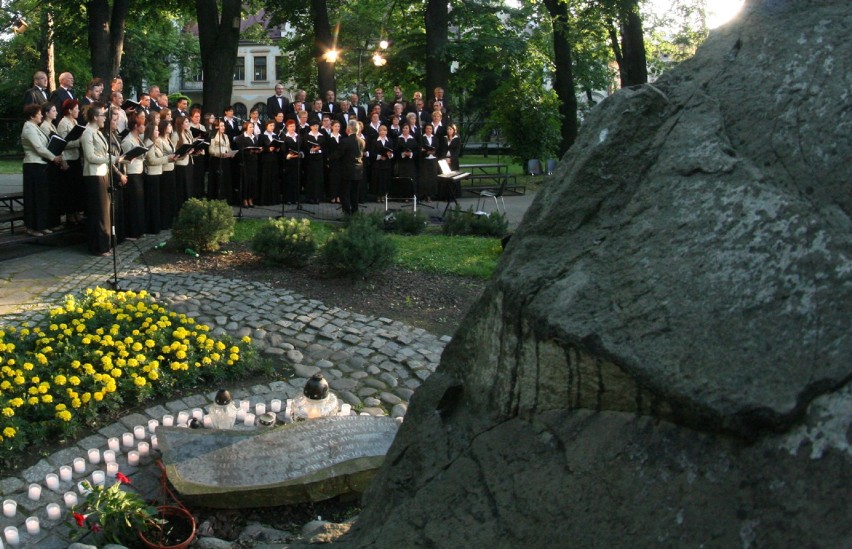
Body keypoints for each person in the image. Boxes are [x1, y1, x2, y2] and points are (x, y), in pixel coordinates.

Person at [21, 103, 62, 236]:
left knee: (42, 197)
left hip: (40, 165)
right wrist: (53, 157)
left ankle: (42, 225)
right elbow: (38, 147)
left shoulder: (35, 127)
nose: (41, 115)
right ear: (32, 116)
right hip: (33, 165)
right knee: (35, 197)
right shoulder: (29, 128)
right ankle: (33, 227)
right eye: (39, 114)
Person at [79, 103, 112, 254]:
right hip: (93, 175)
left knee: (104, 211)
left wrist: (115, 158)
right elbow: (90, 157)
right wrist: (111, 159)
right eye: (102, 115)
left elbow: (103, 153)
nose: (105, 118)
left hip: (102, 172)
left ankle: (104, 244)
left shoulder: (97, 131)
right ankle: (97, 247)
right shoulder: (87, 132)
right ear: (94, 117)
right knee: (98, 212)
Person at [57, 99, 85, 225]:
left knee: (77, 187)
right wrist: (79, 142)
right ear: (69, 110)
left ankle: (76, 212)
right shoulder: (63, 123)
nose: (78, 111)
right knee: (69, 187)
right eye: (76, 108)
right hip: (68, 158)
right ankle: (70, 214)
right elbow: (63, 143)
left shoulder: (75, 121)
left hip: (76, 157)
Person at [39, 101, 64, 230]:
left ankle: (55, 221)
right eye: (53, 111)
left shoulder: (52, 126)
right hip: (50, 162)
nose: (56, 112)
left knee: (56, 192)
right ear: (47, 113)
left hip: (55, 160)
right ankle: (51, 222)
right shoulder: (44, 126)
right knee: (51, 192)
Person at [121, 117, 146, 239]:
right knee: (133, 202)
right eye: (142, 125)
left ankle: (139, 229)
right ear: (136, 126)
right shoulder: (127, 140)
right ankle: (132, 231)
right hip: (132, 173)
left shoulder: (138, 138)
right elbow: (124, 159)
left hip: (139, 171)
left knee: (139, 202)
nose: (144, 127)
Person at [334, 120, 365, 215]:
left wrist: (330, 158)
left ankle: (347, 213)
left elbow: (338, 155)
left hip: (347, 170)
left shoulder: (345, 141)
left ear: (348, 129)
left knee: (344, 192)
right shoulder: (362, 141)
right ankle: (355, 212)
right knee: (355, 193)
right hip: (358, 170)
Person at [142, 121, 167, 234]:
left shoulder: (154, 142)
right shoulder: (148, 143)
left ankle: (156, 225)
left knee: (156, 201)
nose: (158, 131)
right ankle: (151, 226)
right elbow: (151, 160)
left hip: (157, 173)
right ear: (151, 131)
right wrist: (168, 159)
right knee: (152, 202)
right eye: (156, 130)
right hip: (151, 175)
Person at [156, 119, 177, 228]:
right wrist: (169, 157)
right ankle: (165, 221)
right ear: (164, 127)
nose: (171, 127)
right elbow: (159, 156)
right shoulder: (159, 140)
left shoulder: (168, 138)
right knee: (165, 196)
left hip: (171, 167)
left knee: (170, 195)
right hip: (164, 170)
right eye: (169, 125)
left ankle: (170, 220)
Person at [234, 121, 259, 208]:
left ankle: (250, 198)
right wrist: (249, 151)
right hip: (245, 162)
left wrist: (258, 150)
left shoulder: (254, 137)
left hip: (254, 162)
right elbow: (240, 150)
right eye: (250, 127)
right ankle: (244, 199)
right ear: (246, 128)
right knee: (246, 181)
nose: (252, 129)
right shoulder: (241, 138)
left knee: (253, 181)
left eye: (253, 127)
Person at [171, 115, 194, 211]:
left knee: (189, 186)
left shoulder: (188, 132)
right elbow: (173, 151)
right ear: (180, 124)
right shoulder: (176, 134)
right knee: (182, 187)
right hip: (181, 164)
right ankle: (182, 208)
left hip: (189, 161)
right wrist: (184, 153)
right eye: (186, 122)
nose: (188, 123)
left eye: (188, 122)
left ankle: (189, 207)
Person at [207, 120, 232, 202]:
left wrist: (231, 153)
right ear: (217, 127)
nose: (223, 127)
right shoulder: (213, 136)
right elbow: (211, 150)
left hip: (225, 160)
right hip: (216, 160)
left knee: (225, 179)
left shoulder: (226, 136)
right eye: (221, 126)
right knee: (217, 179)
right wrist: (219, 154)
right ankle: (215, 198)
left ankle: (224, 197)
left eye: (224, 126)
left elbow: (228, 148)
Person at [258, 119, 281, 205]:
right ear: (266, 126)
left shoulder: (276, 135)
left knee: (274, 179)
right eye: (270, 125)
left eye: (273, 126)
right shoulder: (262, 135)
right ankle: (265, 200)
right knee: (266, 179)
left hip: (274, 160)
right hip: (265, 160)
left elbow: (278, 145)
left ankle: (274, 199)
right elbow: (259, 148)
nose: (272, 127)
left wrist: (278, 148)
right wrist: (268, 149)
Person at [301, 119, 325, 204]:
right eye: (314, 126)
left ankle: (317, 197)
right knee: (310, 178)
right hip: (310, 160)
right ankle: (310, 197)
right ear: (310, 127)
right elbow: (305, 146)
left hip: (319, 159)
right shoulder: (307, 136)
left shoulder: (321, 135)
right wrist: (311, 149)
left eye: (317, 126)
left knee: (318, 178)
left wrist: (319, 148)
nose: (315, 127)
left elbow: (325, 146)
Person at [280, 118, 302, 205]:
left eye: (294, 126)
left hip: (297, 161)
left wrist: (300, 153)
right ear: (287, 127)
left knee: (296, 180)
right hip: (289, 162)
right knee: (289, 180)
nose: (293, 128)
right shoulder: (285, 137)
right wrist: (288, 155)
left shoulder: (298, 136)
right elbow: (283, 150)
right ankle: (288, 199)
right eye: (291, 126)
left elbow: (302, 147)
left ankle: (295, 198)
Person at [370, 124, 395, 199]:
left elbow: (393, 152)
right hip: (378, 164)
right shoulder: (375, 141)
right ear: (378, 132)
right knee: (378, 180)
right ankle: (378, 196)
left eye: (384, 130)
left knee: (385, 180)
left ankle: (384, 195)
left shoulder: (390, 140)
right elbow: (372, 152)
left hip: (387, 164)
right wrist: (380, 157)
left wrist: (389, 155)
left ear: (386, 132)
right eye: (381, 130)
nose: (383, 132)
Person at [188, 108, 207, 198]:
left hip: (201, 152)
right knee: (194, 175)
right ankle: (194, 194)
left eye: (199, 116)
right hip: (193, 153)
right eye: (195, 117)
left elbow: (205, 138)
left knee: (200, 174)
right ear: (191, 117)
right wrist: (197, 138)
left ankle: (201, 193)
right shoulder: (189, 126)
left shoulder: (202, 127)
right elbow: (189, 141)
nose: (197, 118)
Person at [324, 120, 343, 204]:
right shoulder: (328, 137)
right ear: (332, 127)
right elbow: (326, 149)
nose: (337, 128)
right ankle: (332, 196)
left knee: (340, 179)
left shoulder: (342, 137)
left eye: (338, 126)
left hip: (340, 161)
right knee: (332, 179)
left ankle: (338, 196)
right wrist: (328, 159)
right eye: (335, 126)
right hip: (332, 161)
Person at [418, 123, 439, 201]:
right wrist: (426, 152)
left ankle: (432, 194)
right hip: (425, 160)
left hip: (433, 159)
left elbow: (437, 147)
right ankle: (426, 195)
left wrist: (433, 151)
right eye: (427, 128)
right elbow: (420, 148)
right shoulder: (422, 138)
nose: (429, 130)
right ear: (425, 129)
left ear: (432, 130)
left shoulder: (435, 138)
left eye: (430, 129)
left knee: (433, 178)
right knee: (425, 178)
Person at [395, 123, 418, 187]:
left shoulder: (413, 139)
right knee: (402, 178)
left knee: (410, 178)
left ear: (409, 129)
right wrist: (402, 154)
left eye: (406, 128)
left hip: (410, 163)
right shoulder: (398, 138)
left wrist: (411, 154)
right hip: (401, 162)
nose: (405, 129)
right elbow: (395, 150)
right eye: (404, 128)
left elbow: (416, 151)